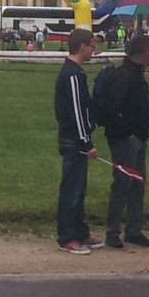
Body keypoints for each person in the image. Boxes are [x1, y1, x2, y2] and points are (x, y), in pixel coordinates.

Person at [104, 35, 149, 248]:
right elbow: (113, 109)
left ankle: (134, 229)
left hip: (138, 138)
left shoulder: (135, 74)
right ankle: (113, 232)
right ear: (145, 54)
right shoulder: (125, 76)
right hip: (127, 140)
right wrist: (129, 134)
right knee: (123, 185)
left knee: (137, 185)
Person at [54, 27, 102, 255]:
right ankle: (67, 237)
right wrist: (86, 143)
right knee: (71, 190)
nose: (94, 50)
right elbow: (76, 112)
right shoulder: (72, 75)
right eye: (92, 46)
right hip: (74, 141)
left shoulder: (75, 72)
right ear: (82, 47)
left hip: (76, 139)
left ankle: (80, 232)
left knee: (79, 189)